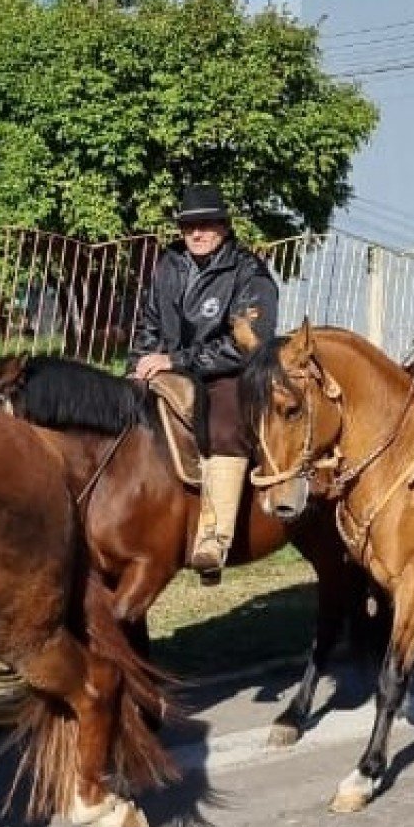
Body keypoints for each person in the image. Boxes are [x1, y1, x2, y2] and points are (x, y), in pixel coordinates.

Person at [127, 183, 280, 582]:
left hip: (228, 374)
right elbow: (149, 324)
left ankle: (215, 538)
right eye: (188, 226)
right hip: (171, 369)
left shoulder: (249, 272)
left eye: (206, 224)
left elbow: (248, 342)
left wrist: (176, 359)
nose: (196, 233)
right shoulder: (168, 265)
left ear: (224, 227)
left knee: (225, 427)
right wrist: (140, 363)